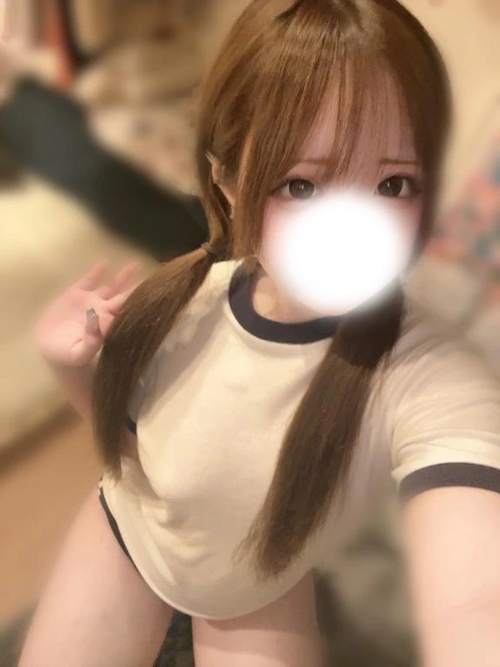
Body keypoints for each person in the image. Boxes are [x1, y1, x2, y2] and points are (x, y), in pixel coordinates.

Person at [20, 1, 500, 666]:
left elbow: (475, 598)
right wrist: (70, 366)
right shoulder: (185, 300)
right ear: (226, 180)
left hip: (252, 585)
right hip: (128, 530)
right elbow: (131, 448)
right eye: (301, 186)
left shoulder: (422, 367)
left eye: (392, 183)